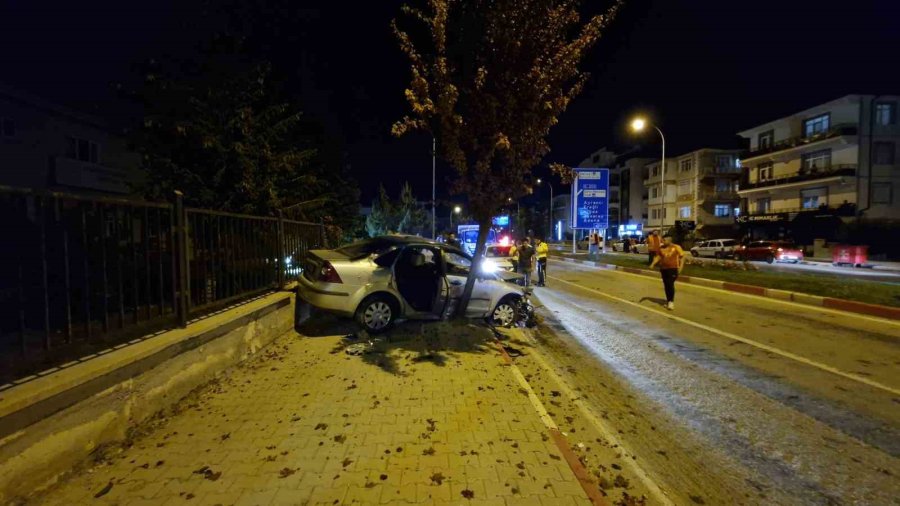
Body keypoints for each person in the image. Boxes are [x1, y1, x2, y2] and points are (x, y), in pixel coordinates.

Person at [650, 233, 685, 310]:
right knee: (666, 285)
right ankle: (669, 300)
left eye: (664, 240)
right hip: (663, 269)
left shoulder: (676, 247)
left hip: (673, 269)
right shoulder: (661, 248)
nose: (662, 241)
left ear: (669, 240)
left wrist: (680, 268)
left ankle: (671, 302)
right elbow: (658, 257)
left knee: (670, 284)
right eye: (662, 240)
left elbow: (682, 257)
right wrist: (653, 264)